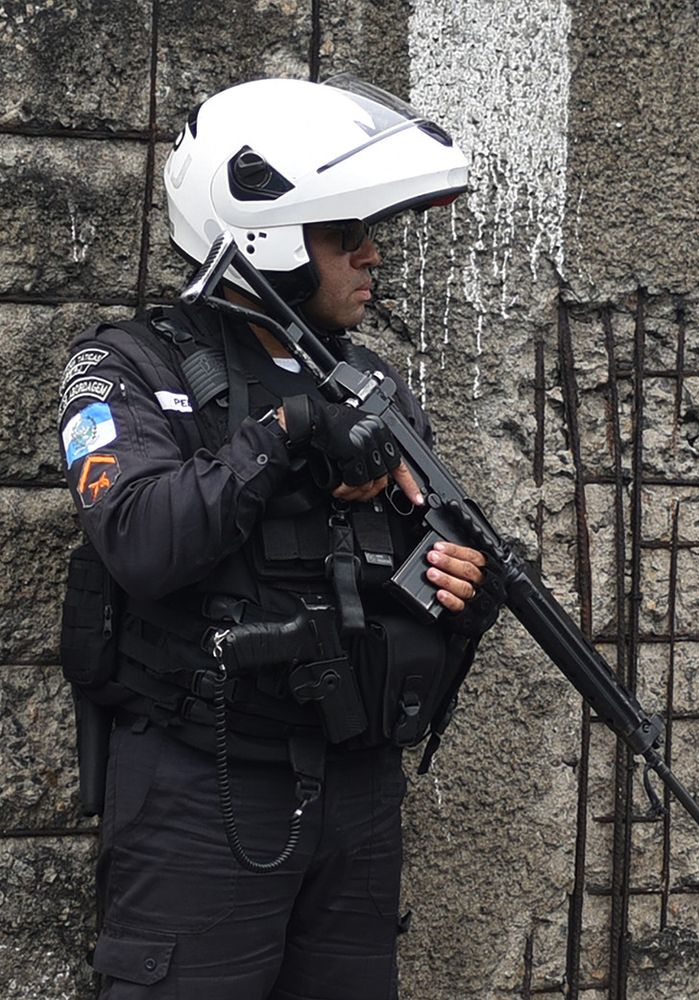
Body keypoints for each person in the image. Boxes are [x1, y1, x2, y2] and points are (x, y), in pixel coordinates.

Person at [57, 76, 501, 999]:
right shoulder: (126, 365)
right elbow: (140, 538)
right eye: (347, 234)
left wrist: (462, 588)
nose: (372, 255)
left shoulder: (371, 383)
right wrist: (287, 432)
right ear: (269, 236)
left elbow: (419, 551)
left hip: (358, 791)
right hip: (205, 786)